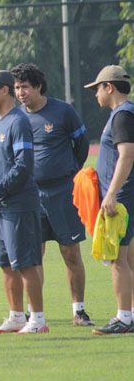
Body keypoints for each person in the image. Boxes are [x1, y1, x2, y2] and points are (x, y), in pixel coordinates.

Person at [11, 63, 93, 326]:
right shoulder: (16, 118)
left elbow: (81, 146)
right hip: (30, 197)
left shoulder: (63, 111)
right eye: (16, 87)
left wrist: (69, 173)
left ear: (38, 87)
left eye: (25, 87)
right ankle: (34, 314)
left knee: (70, 252)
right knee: (34, 255)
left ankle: (78, 311)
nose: (20, 92)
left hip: (62, 193)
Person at [0, 70, 48, 334]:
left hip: (20, 206)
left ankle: (38, 320)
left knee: (26, 264)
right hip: (4, 207)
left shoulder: (18, 122)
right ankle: (17, 316)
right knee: (6, 264)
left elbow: (23, 167)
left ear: (4, 91)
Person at [84, 65, 134, 334]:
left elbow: (126, 155)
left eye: (97, 89)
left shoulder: (122, 115)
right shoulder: (123, 113)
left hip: (123, 196)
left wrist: (112, 192)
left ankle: (123, 318)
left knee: (117, 258)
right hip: (127, 194)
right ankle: (131, 314)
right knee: (129, 258)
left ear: (110, 87)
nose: (96, 95)